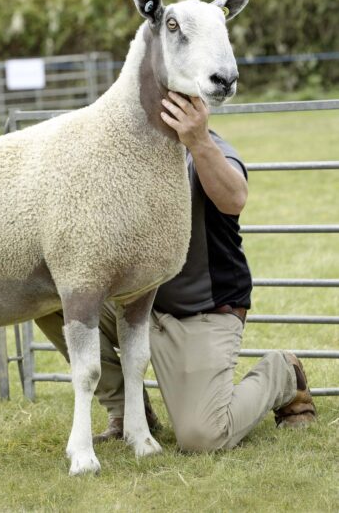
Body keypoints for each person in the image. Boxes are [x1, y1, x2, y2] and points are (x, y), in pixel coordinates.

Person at [35, 91, 316, 451]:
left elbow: (235, 198)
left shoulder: (211, 152)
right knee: (49, 297)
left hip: (199, 315)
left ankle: (283, 373)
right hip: (137, 307)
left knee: (202, 437)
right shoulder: (127, 159)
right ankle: (127, 411)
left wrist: (197, 141)